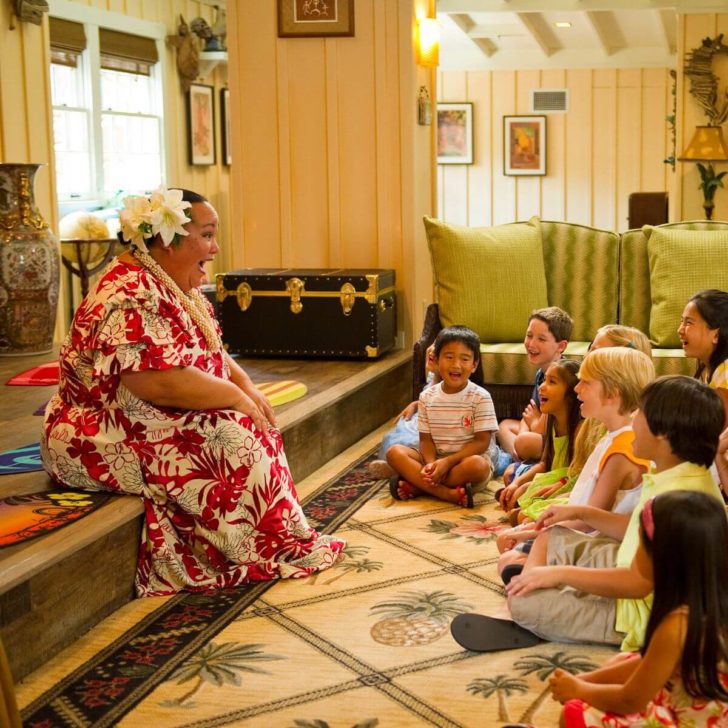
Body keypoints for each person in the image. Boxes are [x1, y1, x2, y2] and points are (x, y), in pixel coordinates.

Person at [41, 187, 345, 597]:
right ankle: (247, 549)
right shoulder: (128, 294)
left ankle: (272, 540)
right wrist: (236, 399)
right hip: (98, 432)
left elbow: (212, 351)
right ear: (167, 240)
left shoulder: (170, 280)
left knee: (245, 422)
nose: (215, 247)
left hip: (144, 412)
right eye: (207, 235)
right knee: (230, 435)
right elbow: (154, 382)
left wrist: (246, 388)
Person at [506, 375, 725, 652]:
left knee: (522, 604)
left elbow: (637, 584)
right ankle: (540, 583)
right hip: (630, 563)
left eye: (641, 413)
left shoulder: (677, 502)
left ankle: (541, 590)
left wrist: (560, 575)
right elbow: (634, 528)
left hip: (638, 616)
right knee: (550, 538)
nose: (632, 419)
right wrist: (582, 512)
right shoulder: (678, 472)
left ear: (663, 434)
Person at [550, 490, 728, 726]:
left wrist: (580, 689)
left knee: (574, 713)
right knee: (623, 662)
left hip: (695, 718)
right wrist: (587, 679)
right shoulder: (708, 602)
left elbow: (629, 700)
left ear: (663, 557)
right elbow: (646, 660)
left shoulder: (677, 625)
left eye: (639, 541)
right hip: (704, 701)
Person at [497, 348, 653, 581]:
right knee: (508, 546)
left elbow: (588, 520)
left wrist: (531, 532)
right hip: (582, 530)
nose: (576, 389)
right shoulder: (614, 436)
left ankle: (542, 578)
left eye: (585, 383)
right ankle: (535, 570)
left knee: (507, 555)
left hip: (598, 539)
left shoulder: (622, 450)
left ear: (612, 394)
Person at [386, 326, 497, 508]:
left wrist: (448, 462)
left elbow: (481, 443)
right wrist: (431, 465)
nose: (456, 365)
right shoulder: (427, 397)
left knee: (479, 466)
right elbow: (426, 441)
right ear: (436, 360)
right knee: (394, 453)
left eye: (464, 359)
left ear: (474, 365)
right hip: (435, 457)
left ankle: (420, 487)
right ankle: (447, 493)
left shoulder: (481, 397)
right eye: (449, 357)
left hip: (464, 461)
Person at [497, 358, 582, 519]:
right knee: (516, 484)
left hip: (567, 483)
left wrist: (555, 485)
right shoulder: (551, 420)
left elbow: (579, 475)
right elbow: (544, 463)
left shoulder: (579, 430)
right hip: (552, 477)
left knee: (521, 516)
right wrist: (517, 483)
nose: (542, 387)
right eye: (544, 380)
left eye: (552, 382)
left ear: (571, 395)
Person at [496, 306, 573, 478]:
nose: (531, 344)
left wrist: (530, 426)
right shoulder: (541, 374)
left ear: (561, 346)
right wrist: (528, 425)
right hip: (538, 433)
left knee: (523, 441)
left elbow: (542, 427)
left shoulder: (562, 377)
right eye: (529, 336)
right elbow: (529, 414)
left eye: (541, 339)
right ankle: (521, 459)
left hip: (558, 441)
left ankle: (523, 460)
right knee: (504, 426)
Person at [679, 288, 728, 422]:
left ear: (716, 335)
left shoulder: (726, 373)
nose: (680, 330)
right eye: (681, 321)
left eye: (688, 323)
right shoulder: (712, 368)